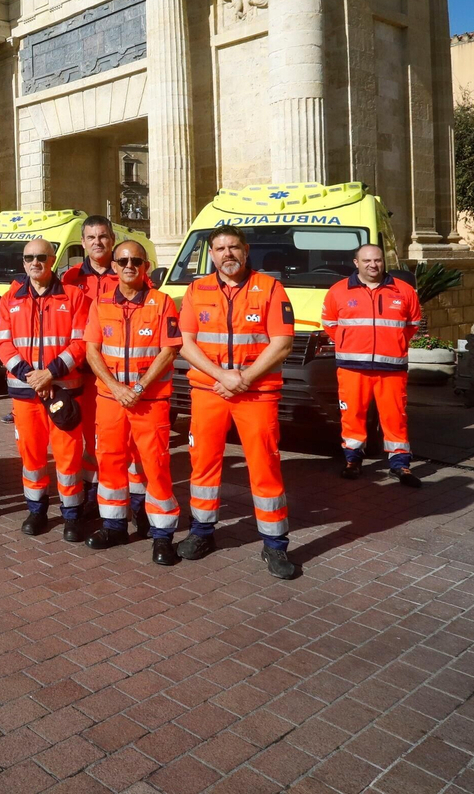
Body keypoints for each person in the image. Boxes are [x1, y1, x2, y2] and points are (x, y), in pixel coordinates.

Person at [178, 225, 297, 579]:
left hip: (256, 393)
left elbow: (282, 343)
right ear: (211, 255)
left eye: (233, 247)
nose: (227, 254)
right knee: (203, 466)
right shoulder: (196, 290)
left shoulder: (271, 288)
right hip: (209, 392)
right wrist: (222, 376)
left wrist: (242, 378)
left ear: (246, 251)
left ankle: (275, 546)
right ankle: (201, 533)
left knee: (264, 466)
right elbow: (185, 343)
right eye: (219, 248)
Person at [83, 240, 182, 559]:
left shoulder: (162, 302)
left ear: (146, 267)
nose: (129, 266)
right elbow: (91, 350)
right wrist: (116, 388)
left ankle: (162, 532)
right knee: (110, 460)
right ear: (114, 267)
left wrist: (137, 388)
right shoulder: (99, 305)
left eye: (136, 261)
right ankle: (113, 526)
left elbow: (169, 351)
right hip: (110, 400)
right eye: (123, 260)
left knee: (155, 464)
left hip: (149, 400)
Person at [0, 236, 91, 541]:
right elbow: (3, 344)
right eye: (28, 258)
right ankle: (36, 511)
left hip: (64, 390)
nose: (34, 262)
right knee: (32, 456)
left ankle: (72, 515)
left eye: (41, 257)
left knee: (69, 457)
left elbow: (81, 343)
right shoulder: (9, 299)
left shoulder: (74, 296)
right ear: (22, 263)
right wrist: (30, 375)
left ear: (53, 260)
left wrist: (50, 373)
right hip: (25, 392)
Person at [321, 244, 422, 488]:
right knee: (352, 416)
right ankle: (353, 461)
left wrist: (392, 345)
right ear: (356, 263)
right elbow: (329, 324)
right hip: (352, 367)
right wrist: (352, 345)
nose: (372, 265)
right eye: (366, 261)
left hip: (392, 368)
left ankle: (400, 465)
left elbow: (412, 325)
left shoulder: (404, 291)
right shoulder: (338, 291)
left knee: (395, 416)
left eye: (377, 260)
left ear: (383, 262)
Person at [61, 215, 119, 510]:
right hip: (80, 372)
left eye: (103, 236)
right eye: (91, 237)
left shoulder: (127, 272)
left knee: (110, 437)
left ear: (112, 239)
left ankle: (114, 493)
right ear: (82, 242)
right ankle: (88, 491)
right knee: (84, 434)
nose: (98, 242)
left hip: (115, 372)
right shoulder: (70, 279)